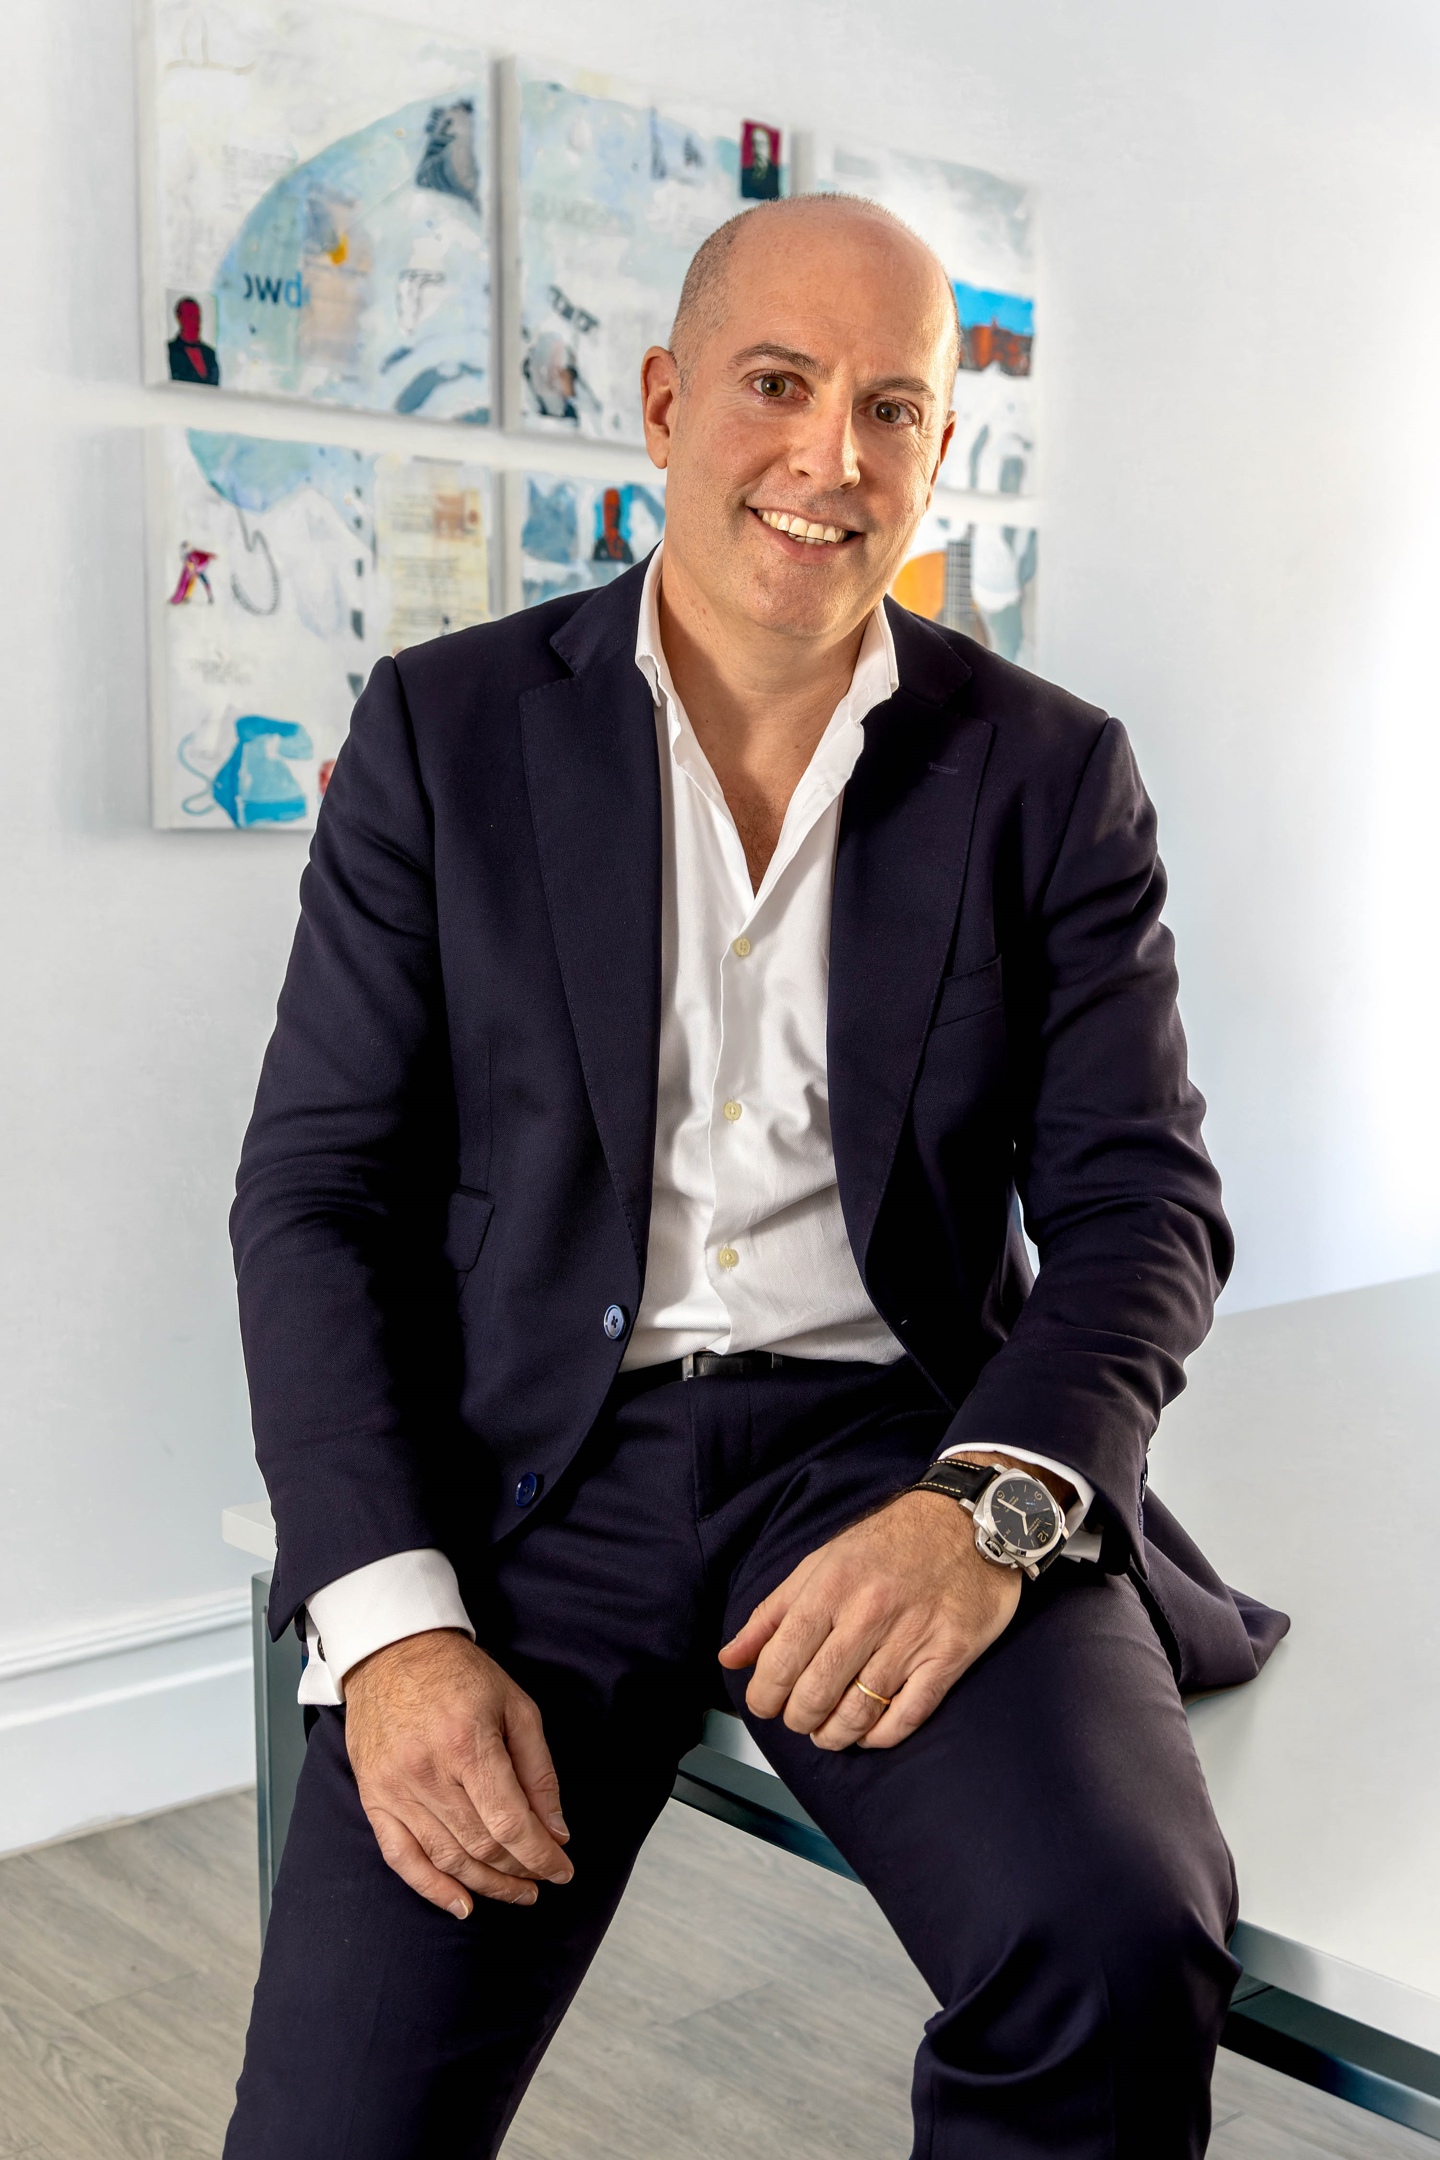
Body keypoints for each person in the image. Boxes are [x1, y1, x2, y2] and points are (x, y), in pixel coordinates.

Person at [225, 194, 1285, 2159]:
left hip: (898, 1451)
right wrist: (394, 1625)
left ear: (938, 452)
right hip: (527, 1480)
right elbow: (316, 1195)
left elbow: (1144, 1205)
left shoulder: (1051, 774)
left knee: (1113, 1940)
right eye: (779, 385)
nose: (830, 457)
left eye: (892, 408)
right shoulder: (445, 730)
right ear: (662, 402)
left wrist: (984, 1509)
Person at [167, 295, 221, 386]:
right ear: (179, 319)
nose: (196, 322)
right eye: (191, 317)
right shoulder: (170, 351)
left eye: (198, 318)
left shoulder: (210, 354)